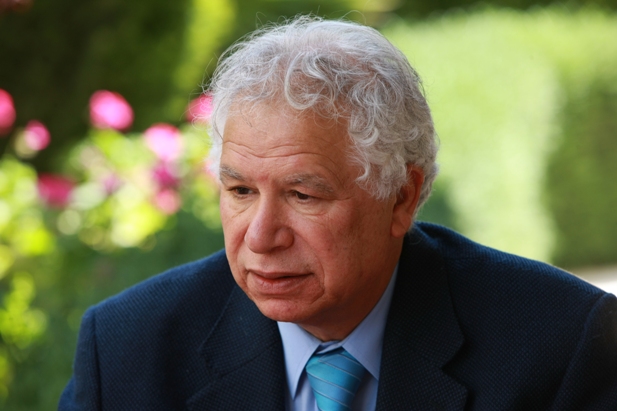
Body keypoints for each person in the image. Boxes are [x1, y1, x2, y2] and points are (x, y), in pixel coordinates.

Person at [59, 16, 617, 411]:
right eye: (241, 191)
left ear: (401, 197)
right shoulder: (127, 351)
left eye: (303, 196)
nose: (261, 237)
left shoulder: (562, 347)